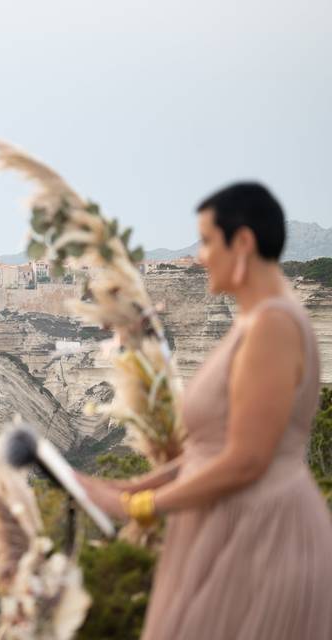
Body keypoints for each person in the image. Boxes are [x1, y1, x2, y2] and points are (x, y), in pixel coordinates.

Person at [80, 182, 332, 639]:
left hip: (262, 540)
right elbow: (210, 450)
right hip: (232, 532)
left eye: (207, 241)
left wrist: (141, 506)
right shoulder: (255, 322)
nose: (198, 256)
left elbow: (247, 460)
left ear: (243, 242)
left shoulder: (273, 324)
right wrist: (126, 486)